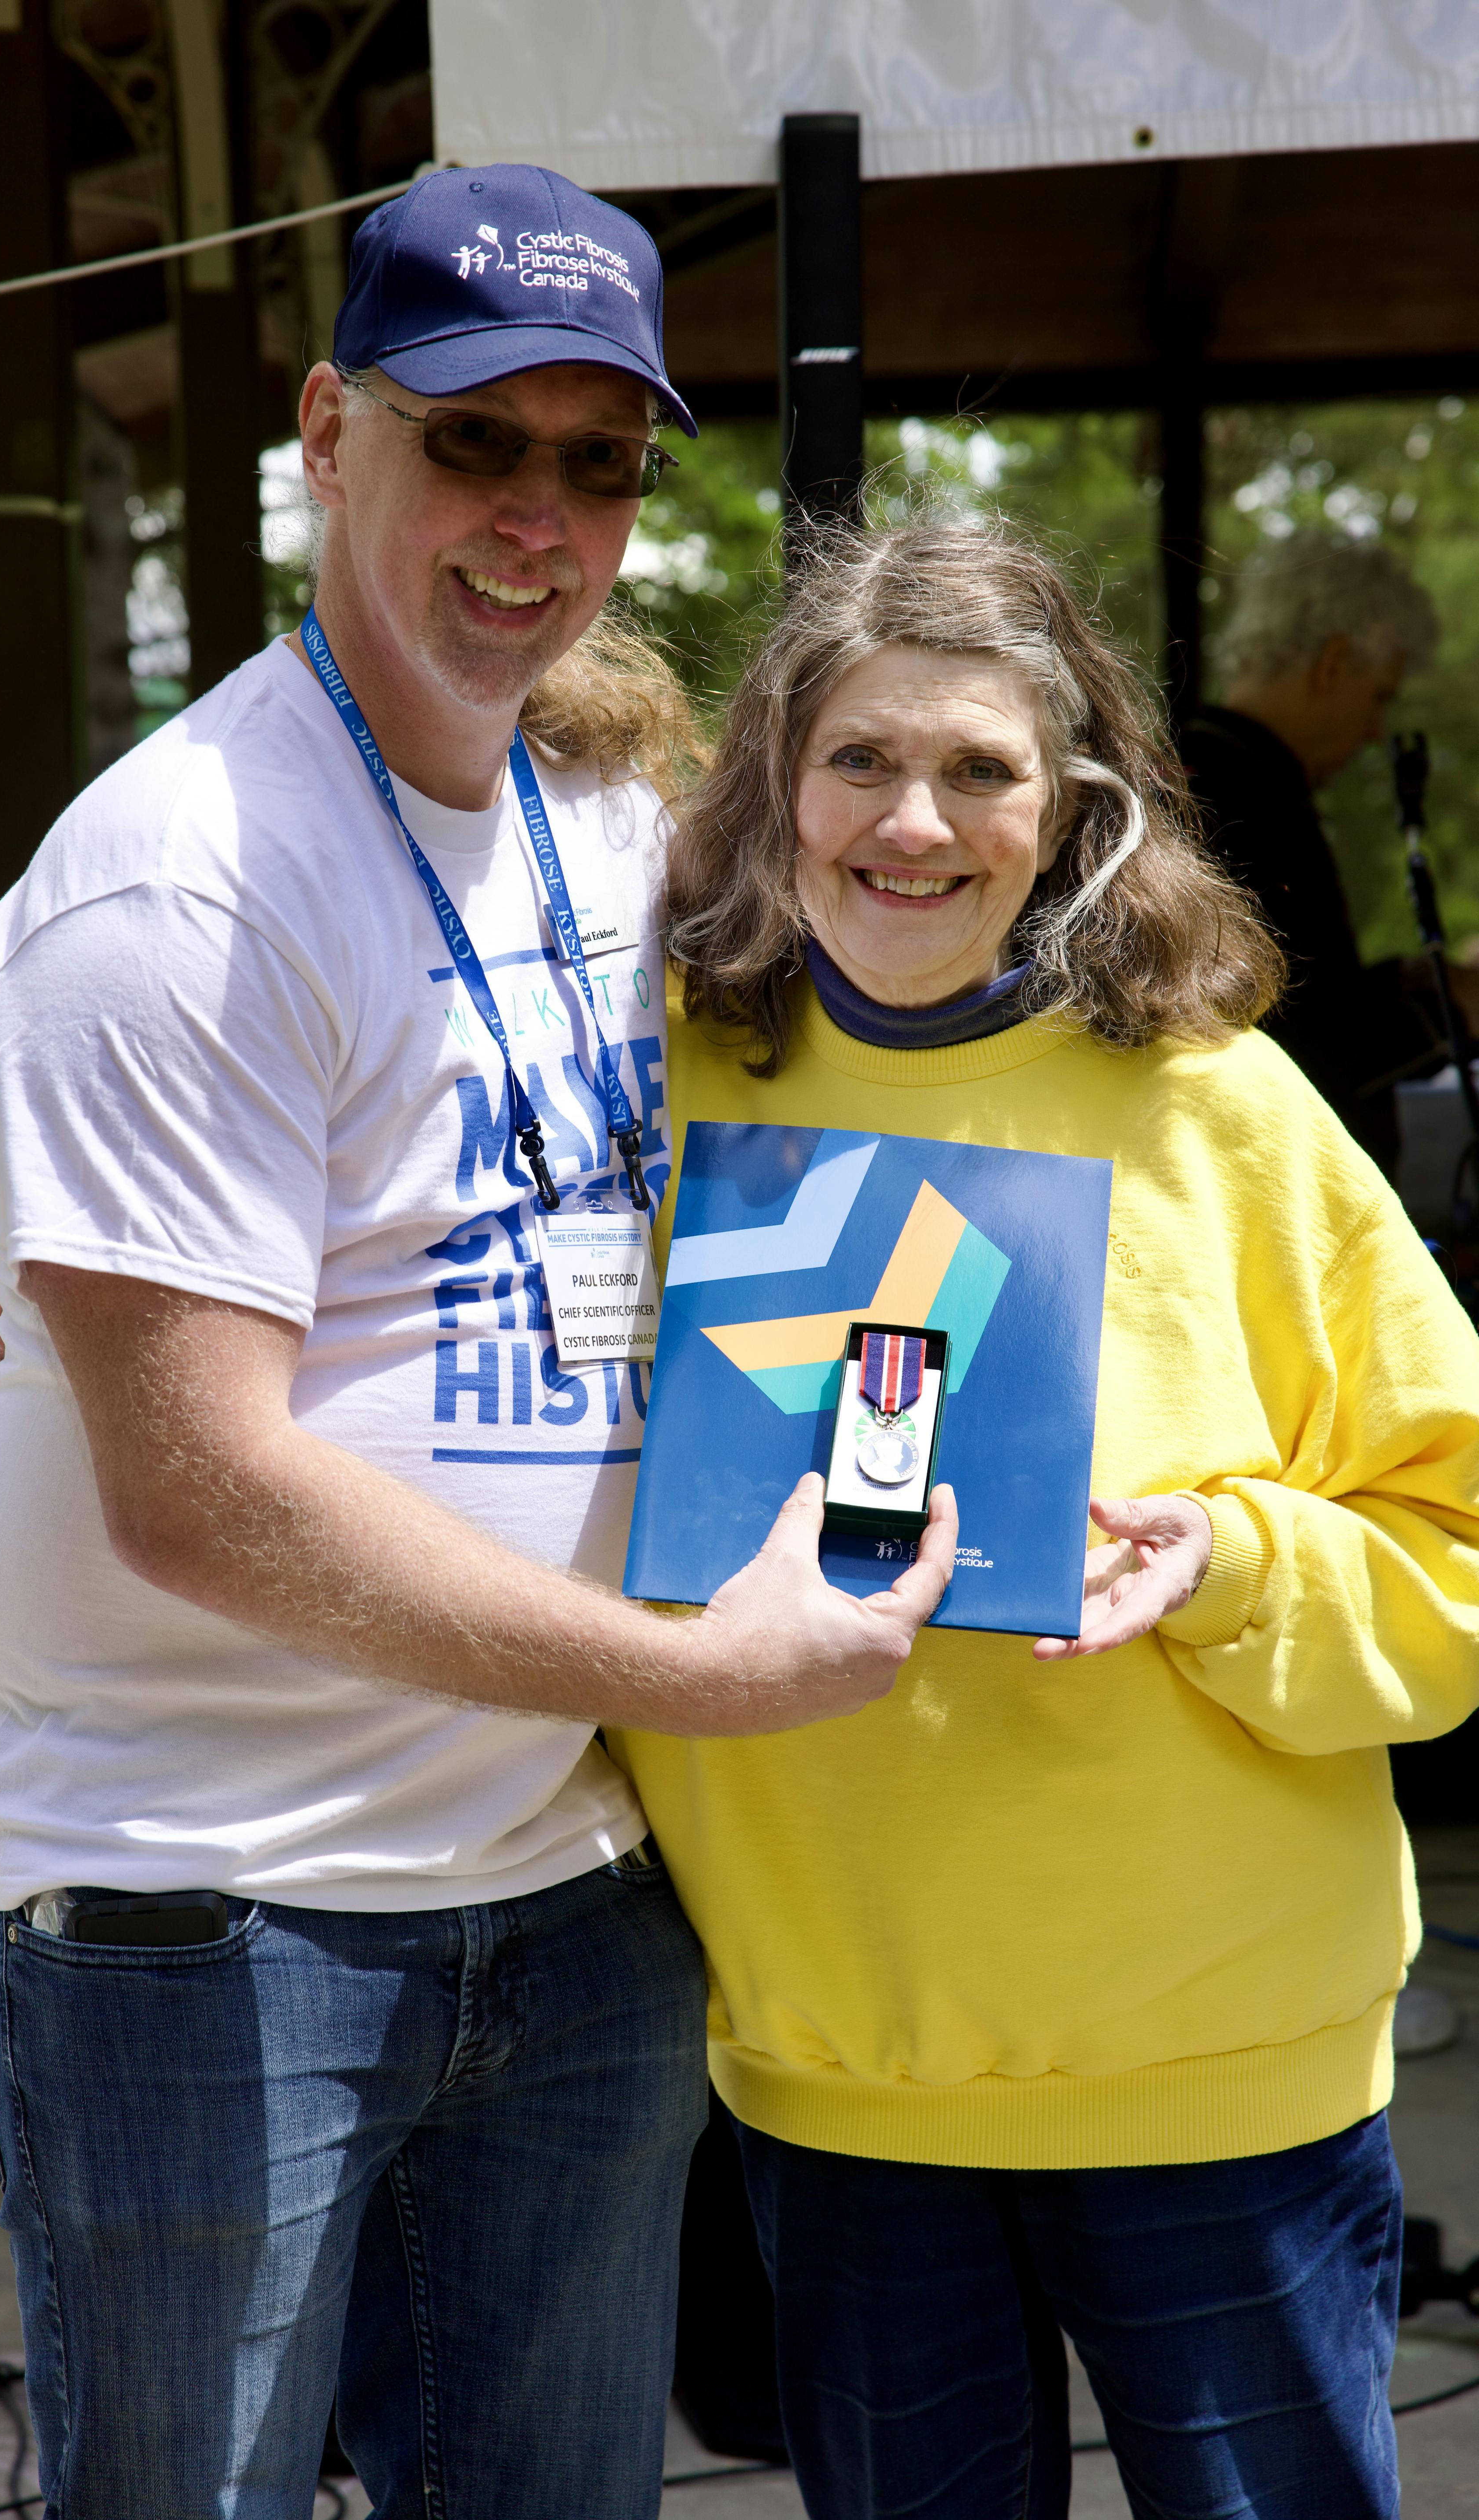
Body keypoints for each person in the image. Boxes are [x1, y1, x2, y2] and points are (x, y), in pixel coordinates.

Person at [0, 165, 956, 2520]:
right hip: (212, 1904)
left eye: (598, 459)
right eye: (474, 440)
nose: (538, 513)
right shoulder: (177, 879)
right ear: (325, 428)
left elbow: (903, 1012)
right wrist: (709, 1669)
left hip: (563, 1882)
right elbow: (192, 1489)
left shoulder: (613, 814)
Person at [611, 515, 1479, 2520]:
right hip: (843, 2077)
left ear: (1075, 806)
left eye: (979, 770)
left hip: (1217, 2073)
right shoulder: (660, 1087)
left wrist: (1233, 1561)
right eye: (857, 762)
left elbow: (1453, 1551)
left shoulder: (1220, 1105)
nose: (911, 822)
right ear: (773, 785)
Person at [1182, 532, 1471, 1175]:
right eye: (1379, 698)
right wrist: (1450, 1010)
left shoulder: (1219, 775)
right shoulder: (1234, 797)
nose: (1375, 731)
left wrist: (1412, 983)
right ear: (1333, 665)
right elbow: (1296, 1034)